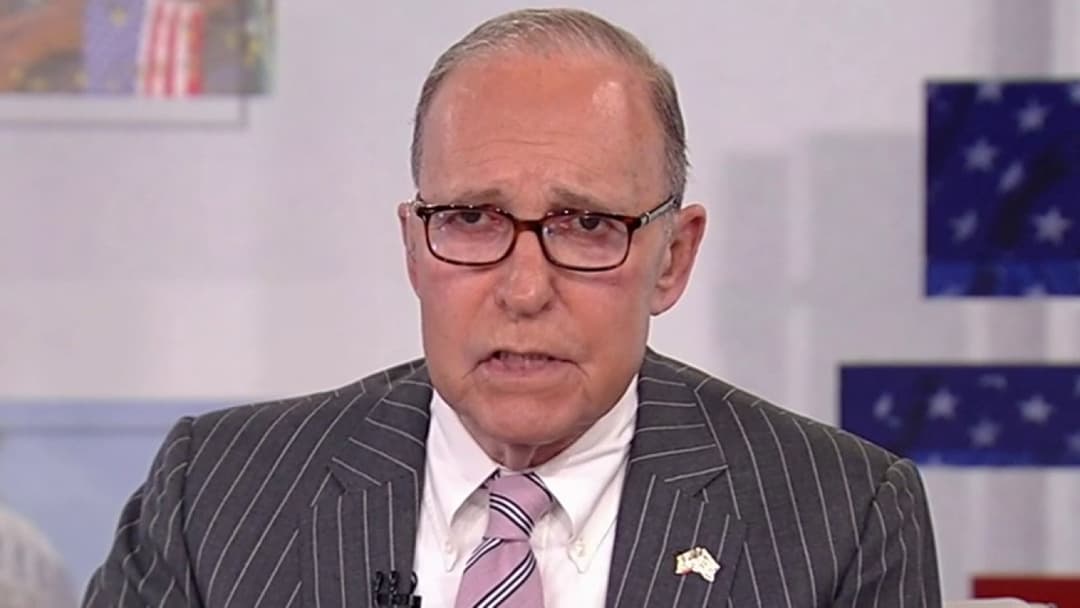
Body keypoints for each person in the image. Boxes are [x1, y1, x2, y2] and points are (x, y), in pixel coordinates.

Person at [83, 8, 940, 607]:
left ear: (673, 259)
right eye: (472, 219)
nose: (525, 290)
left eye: (588, 225)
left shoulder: (839, 518)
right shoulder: (219, 496)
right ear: (415, 246)